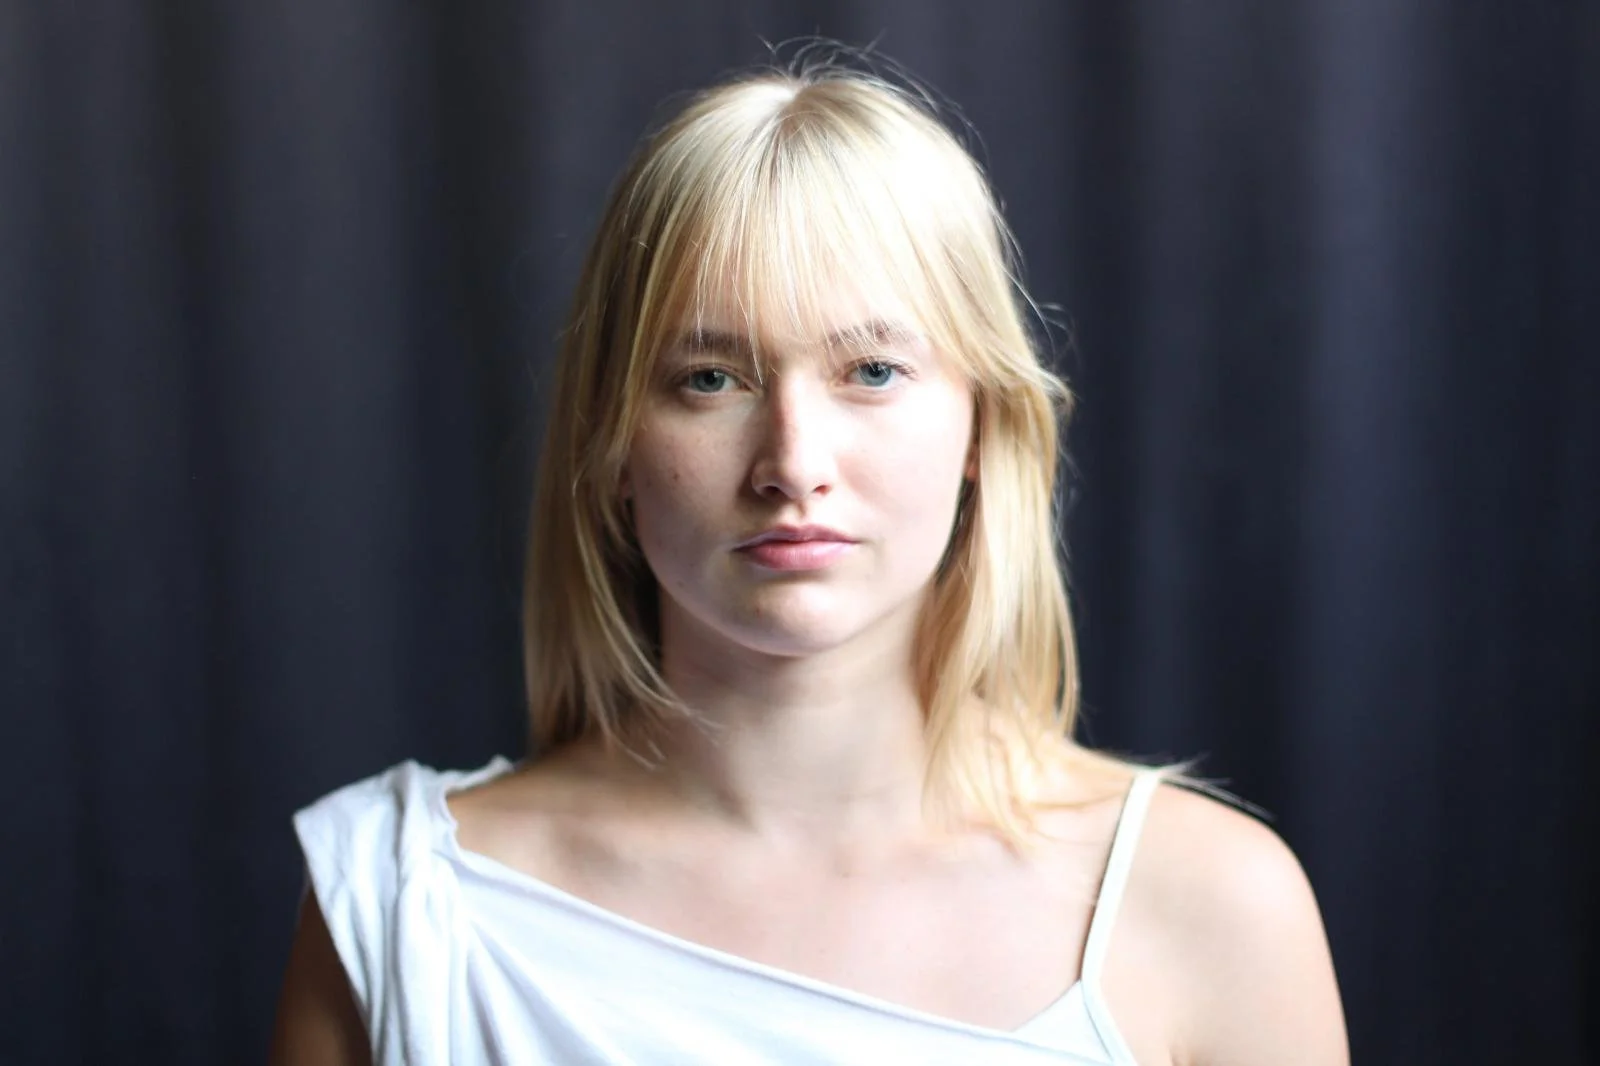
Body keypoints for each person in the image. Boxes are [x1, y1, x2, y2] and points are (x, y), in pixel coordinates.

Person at [268, 51, 1348, 1066]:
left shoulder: (1212, 909)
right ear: (612, 442)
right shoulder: (401, 908)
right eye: (710, 379)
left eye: (872, 371)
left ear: (982, 426)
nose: (793, 464)